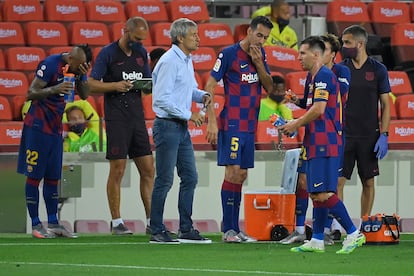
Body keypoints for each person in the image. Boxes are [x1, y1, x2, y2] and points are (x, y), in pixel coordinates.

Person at [279, 36, 365, 254]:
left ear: (315, 54)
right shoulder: (313, 76)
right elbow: (311, 105)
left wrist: (294, 124)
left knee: (324, 193)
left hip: (325, 141)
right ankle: (317, 239)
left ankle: (353, 233)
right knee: (315, 193)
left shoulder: (325, 76)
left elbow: (318, 109)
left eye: (302, 53)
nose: (298, 57)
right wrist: (296, 107)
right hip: (315, 140)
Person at [204, 16, 274, 243]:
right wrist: (212, 120)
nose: (262, 40)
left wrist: (259, 64)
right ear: (249, 31)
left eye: (265, 37)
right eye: (259, 35)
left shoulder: (260, 55)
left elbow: (271, 88)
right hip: (232, 123)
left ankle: (234, 229)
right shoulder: (228, 54)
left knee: (242, 175)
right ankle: (229, 229)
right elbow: (209, 86)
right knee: (232, 172)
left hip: (249, 125)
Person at [88, 17, 155, 235]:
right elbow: (90, 84)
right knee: (118, 170)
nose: (139, 43)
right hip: (116, 117)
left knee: (148, 169)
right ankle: (117, 221)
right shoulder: (108, 53)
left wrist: (146, 85)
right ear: (124, 31)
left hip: (137, 117)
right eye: (136, 38)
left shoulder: (141, 53)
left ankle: (152, 220)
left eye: (142, 40)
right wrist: (115, 85)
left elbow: (147, 85)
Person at [17, 45, 92, 238]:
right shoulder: (50, 64)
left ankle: (54, 223)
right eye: (79, 67)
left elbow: (84, 95)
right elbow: (31, 92)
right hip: (38, 127)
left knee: (53, 177)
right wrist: (55, 89)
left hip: (55, 128)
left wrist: (82, 76)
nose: (79, 70)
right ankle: (35, 224)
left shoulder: (76, 70)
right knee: (34, 176)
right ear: (71, 60)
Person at [150, 18, 212, 244]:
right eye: (194, 34)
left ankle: (185, 228)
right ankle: (156, 229)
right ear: (180, 38)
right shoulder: (169, 61)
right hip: (167, 126)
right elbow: (162, 99)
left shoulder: (186, 59)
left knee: (190, 177)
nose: (198, 38)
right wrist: (190, 114)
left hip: (180, 128)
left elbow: (186, 89)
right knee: (164, 179)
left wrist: (201, 95)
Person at [338, 25, 391, 226]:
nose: (344, 46)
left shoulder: (378, 70)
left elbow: (386, 105)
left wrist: (384, 135)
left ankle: (364, 224)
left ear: (360, 44)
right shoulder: (341, 69)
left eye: (347, 42)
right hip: (345, 134)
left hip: (369, 136)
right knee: (338, 182)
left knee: (368, 182)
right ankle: (341, 227)